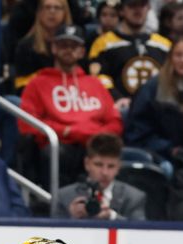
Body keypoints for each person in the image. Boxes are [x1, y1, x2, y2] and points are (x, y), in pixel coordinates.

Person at [19, 24, 122, 182]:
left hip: (94, 146)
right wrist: (66, 131)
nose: (68, 50)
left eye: (74, 46)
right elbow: (28, 124)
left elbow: (114, 121)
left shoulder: (94, 83)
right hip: (59, 145)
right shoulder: (38, 83)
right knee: (54, 153)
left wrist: (95, 135)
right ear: (53, 48)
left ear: (82, 51)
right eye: (63, 45)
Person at [87, 0, 172, 108]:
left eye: (142, 5)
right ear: (122, 11)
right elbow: (98, 76)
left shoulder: (164, 45)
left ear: (149, 8)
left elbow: (173, 77)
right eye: (132, 5)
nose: (138, 10)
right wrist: (117, 98)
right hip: (119, 108)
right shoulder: (103, 43)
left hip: (158, 108)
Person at [54, 133, 147, 220]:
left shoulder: (134, 198)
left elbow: (140, 234)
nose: (104, 172)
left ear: (119, 167)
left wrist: (112, 216)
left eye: (111, 166)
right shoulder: (64, 196)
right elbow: (53, 233)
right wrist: (71, 218)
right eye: (98, 165)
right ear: (87, 164)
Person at [14, 0, 74, 91]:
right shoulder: (26, 46)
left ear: (65, 13)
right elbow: (22, 87)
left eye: (57, 7)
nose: (52, 11)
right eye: (47, 7)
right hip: (38, 97)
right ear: (40, 12)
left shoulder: (75, 45)